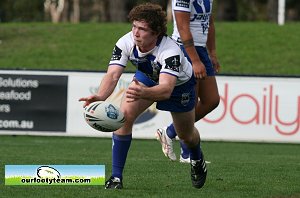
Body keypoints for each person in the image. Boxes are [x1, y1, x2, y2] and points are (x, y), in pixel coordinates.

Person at [79, 3, 207, 189]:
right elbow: (113, 74)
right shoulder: (126, 42)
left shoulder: (170, 51)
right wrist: (100, 96)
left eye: (142, 29)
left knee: (186, 136)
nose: (136, 33)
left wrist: (143, 92)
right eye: (134, 26)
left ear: (156, 33)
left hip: (179, 86)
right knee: (123, 117)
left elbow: (165, 90)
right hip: (147, 78)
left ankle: (196, 157)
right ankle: (116, 178)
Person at [155, 0, 220, 163]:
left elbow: (209, 21)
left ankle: (169, 132)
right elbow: (183, 27)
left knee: (212, 100)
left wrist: (212, 52)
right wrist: (195, 60)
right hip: (184, 49)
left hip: (200, 49)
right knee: (190, 103)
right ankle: (187, 154)